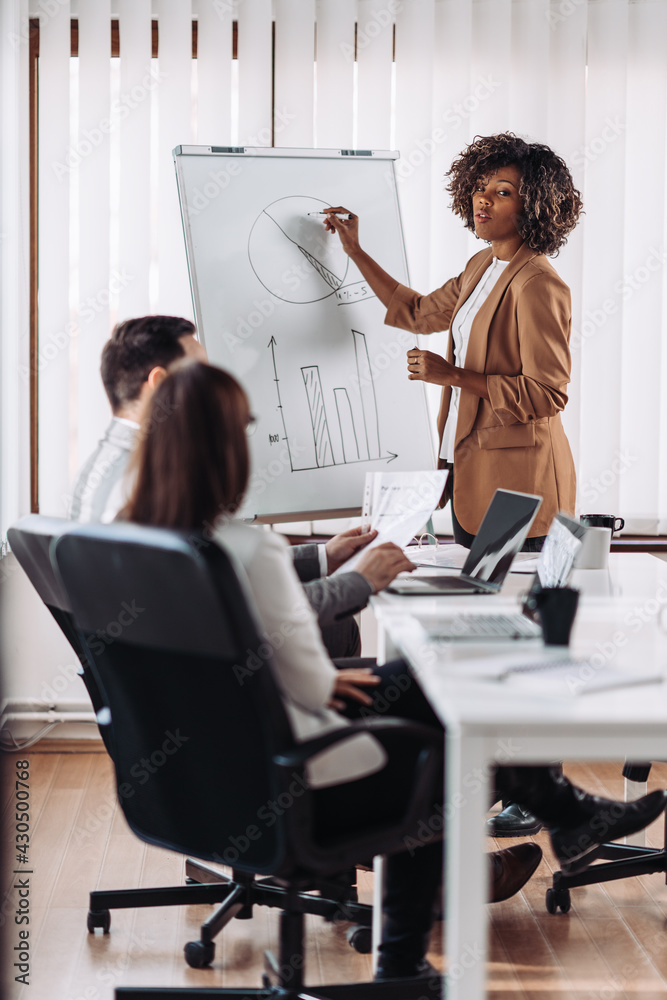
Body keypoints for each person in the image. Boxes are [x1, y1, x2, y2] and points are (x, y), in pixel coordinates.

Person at [121, 360, 667, 982]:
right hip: (289, 779)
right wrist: (329, 678)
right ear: (226, 449)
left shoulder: (133, 543)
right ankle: (407, 963)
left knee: (418, 679)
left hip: (199, 776)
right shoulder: (248, 551)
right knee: (442, 742)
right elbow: (311, 685)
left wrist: (332, 681)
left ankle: (567, 820)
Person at [69, 314, 412, 660]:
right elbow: (233, 603)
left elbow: (216, 564)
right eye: (201, 373)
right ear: (160, 384)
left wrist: (322, 557)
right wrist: (358, 583)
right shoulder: (149, 484)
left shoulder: (103, 470)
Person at [323, 132, 582, 553]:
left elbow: (547, 393)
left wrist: (453, 375)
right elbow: (416, 311)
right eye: (480, 188)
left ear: (532, 206)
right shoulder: (482, 265)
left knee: (505, 610)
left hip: (521, 488)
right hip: (470, 476)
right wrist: (354, 250)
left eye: (502, 192)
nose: (484, 200)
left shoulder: (537, 284)